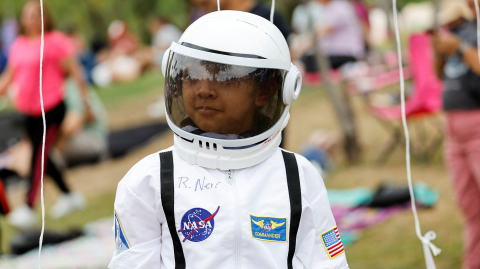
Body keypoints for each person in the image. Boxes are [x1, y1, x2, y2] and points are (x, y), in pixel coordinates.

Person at [109, 10, 348, 268]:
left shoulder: (299, 178)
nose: (204, 89)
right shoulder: (150, 181)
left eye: (224, 76)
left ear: (267, 90)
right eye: (192, 75)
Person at [0, 1, 86, 229]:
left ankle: (28, 207)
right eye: (26, 15)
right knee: (43, 156)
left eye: (35, 15)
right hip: (28, 113)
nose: (30, 19)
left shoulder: (55, 42)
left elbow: (76, 72)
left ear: (44, 17)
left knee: (37, 156)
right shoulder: (18, 45)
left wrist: (85, 106)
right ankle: (70, 196)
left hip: (51, 109)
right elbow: (9, 76)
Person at [432, 1, 480, 268]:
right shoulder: (459, 29)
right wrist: (441, 51)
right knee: (470, 206)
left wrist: (459, 48)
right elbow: (441, 75)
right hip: (454, 129)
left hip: (476, 125)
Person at [315, 0, 365, 69]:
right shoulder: (333, 7)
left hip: (345, 53)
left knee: (308, 60)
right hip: (339, 52)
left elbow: (324, 29)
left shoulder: (338, 6)